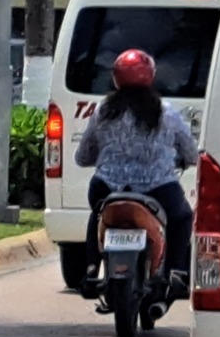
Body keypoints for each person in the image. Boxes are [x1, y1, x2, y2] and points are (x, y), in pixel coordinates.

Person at [75, 49, 197, 306]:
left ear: (115, 78)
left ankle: (89, 269)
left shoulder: (102, 111)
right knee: (183, 217)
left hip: (108, 187)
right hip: (158, 188)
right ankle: (177, 271)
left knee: (98, 212)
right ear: (150, 76)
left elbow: (83, 155)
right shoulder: (166, 112)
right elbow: (190, 151)